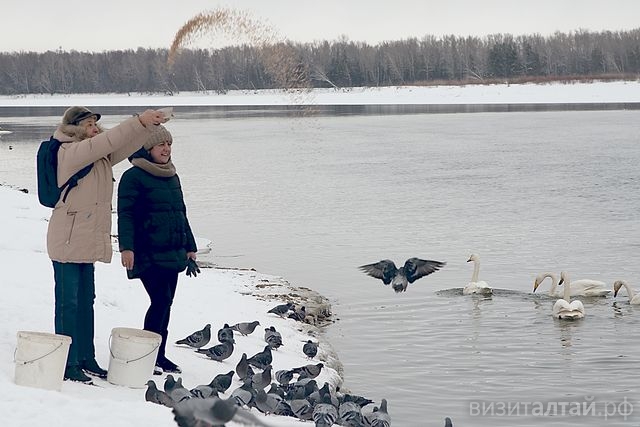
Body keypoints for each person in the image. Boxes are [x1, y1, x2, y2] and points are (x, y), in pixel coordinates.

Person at [47, 106, 168, 383]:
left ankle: (85, 357)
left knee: (85, 301)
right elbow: (110, 139)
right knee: (68, 303)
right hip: (67, 239)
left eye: (95, 124)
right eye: (89, 124)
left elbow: (125, 145)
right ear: (75, 127)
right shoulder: (70, 151)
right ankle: (68, 362)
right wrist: (138, 120)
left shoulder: (97, 154)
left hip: (85, 239)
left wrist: (149, 128)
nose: (94, 128)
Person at [117, 125, 198, 374]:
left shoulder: (171, 175)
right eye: (161, 144)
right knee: (160, 300)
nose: (166, 149)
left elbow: (180, 213)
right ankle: (148, 355)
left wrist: (190, 246)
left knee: (166, 302)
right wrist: (127, 248)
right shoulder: (133, 177)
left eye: (169, 144)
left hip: (172, 251)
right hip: (147, 251)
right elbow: (126, 215)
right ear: (147, 148)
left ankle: (159, 355)